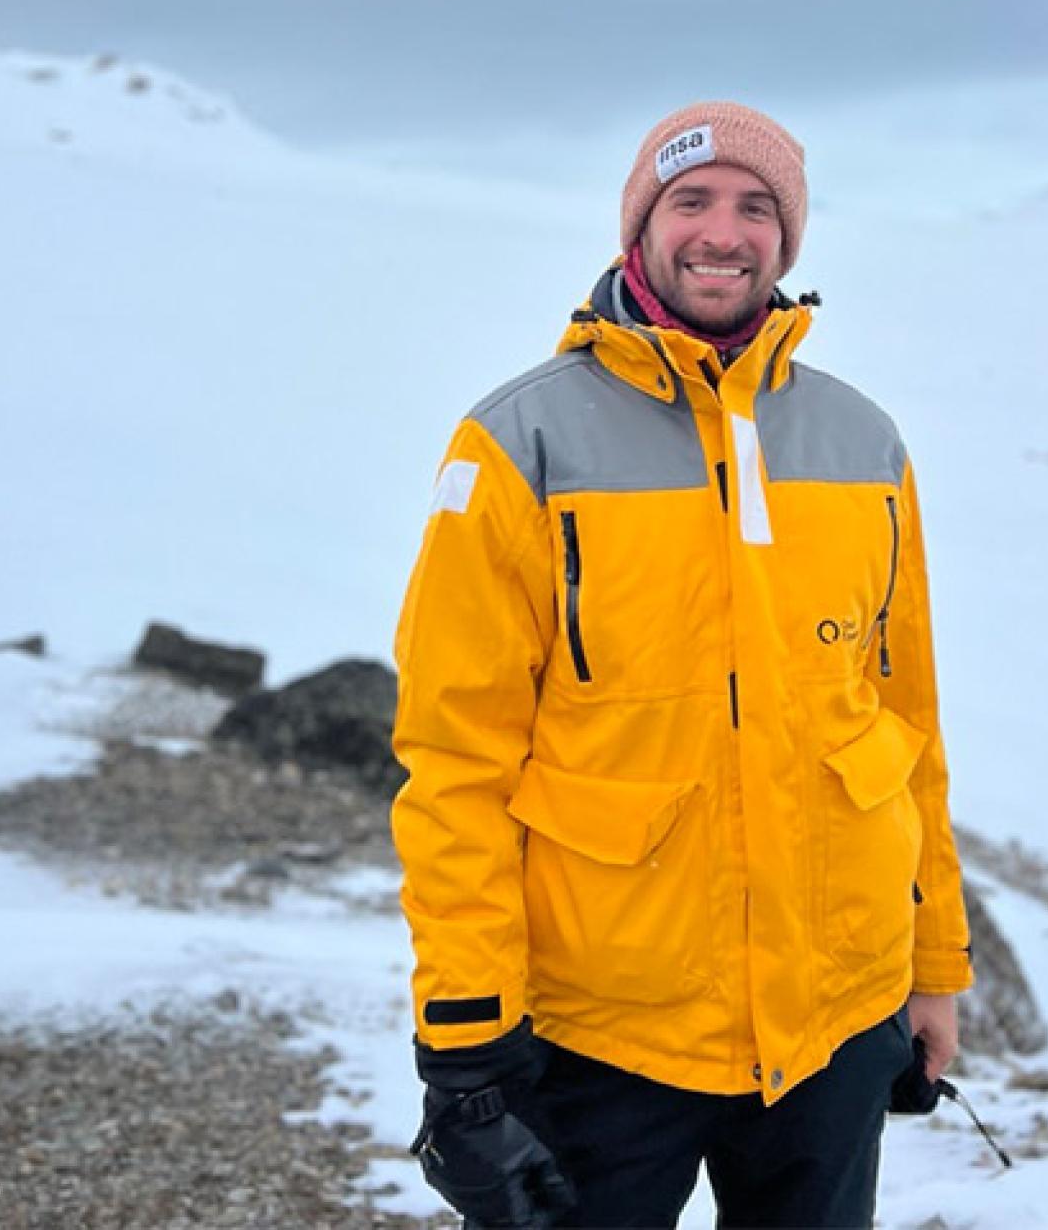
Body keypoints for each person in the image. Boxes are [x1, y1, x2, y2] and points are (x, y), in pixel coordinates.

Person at [391, 101, 970, 1229]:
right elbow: (454, 760)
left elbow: (906, 723)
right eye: (692, 200)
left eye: (758, 208)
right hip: (602, 1032)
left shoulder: (865, 444)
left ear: (788, 241)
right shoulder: (519, 443)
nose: (724, 231)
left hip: (832, 1024)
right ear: (640, 227)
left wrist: (930, 964)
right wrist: (464, 1043)